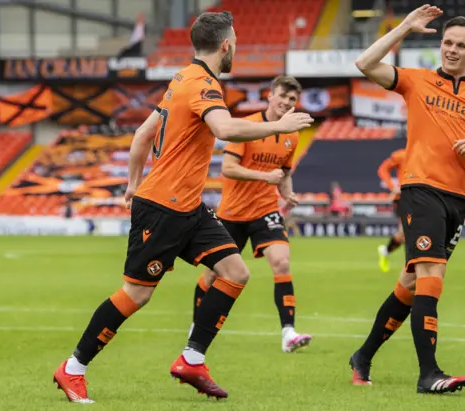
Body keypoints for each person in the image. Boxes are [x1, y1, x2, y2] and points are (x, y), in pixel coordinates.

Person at [52, 11, 313, 403]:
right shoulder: (204, 86)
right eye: (236, 44)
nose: (236, 49)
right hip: (163, 208)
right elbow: (224, 130)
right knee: (136, 295)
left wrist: (132, 183)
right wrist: (279, 126)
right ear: (225, 46)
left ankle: (192, 358)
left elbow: (143, 134)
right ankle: (72, 369)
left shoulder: (180, 79)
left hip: (186, 206)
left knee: (235, 271)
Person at [349, 5, 465, 394]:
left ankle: (362, 356)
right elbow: (364, 62)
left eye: (461, 45)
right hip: (420, 189)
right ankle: (429, 374)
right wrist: (405, 28)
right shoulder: (416, 80)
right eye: (447, 42)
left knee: (410, 283)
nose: (451, 50)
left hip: (457, 199)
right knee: (432, 277)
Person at [190, 75, 312, 353]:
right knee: (212, 275)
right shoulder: (248, 126)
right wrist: (265, 177)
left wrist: (286, 193)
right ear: (270, 95)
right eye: (283, 95)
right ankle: (197, 328)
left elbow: (284, 172)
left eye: (292, 99)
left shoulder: (292, 134)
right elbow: (228, 169)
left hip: (265, 209)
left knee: (281, 262)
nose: (287, 102)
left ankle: (288, 333)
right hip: (232, 213)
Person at [376, 148, 406, 273]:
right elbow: (383, 169)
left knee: (402, 235)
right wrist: (392, 187)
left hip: (422, 197)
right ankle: (411, 267)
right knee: (408, 231)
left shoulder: (427, 154)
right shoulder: (401, 155)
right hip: (404, 198)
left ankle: (385, 251)